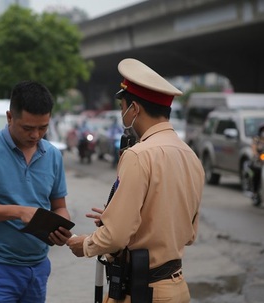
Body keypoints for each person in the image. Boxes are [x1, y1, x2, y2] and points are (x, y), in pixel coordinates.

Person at [67, 58, 205, 303]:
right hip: (177, 289)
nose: (122, 112)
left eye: (123, 105)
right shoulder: (191, 156)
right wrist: (118, 218)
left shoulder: (138, 155)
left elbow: (117, 237)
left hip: (142, 291)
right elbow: (188, 234)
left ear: (135, 109)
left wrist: (86, 244)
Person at [0, 80, 72, 303]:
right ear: (10, 117)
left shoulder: (53, 156)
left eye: (43, 127)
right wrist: (18, 212)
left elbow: (59, 206)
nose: (36, 135)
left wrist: (61, 226)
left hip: (38, 268)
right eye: (28, 128)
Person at [249, 123, 264, 202]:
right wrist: (257, 155)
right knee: (257, 173)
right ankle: (255, 191)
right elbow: (254, 148)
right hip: (258, 162)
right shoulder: (256, 139)